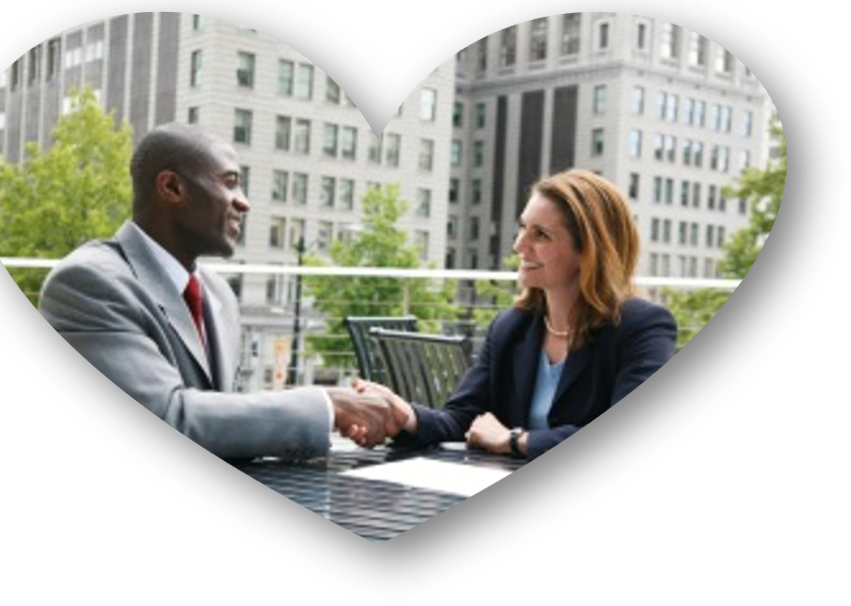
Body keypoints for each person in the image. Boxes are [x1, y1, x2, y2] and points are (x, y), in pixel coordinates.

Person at [38, 123, 403, 460]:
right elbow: (164, 419)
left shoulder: (218, 294)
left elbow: (223, 416)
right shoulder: (88, 284)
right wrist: (325, 405)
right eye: (229, 183)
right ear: (172, 188)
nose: (244, 202)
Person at [354, 170, 678, 461]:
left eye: (541, 235)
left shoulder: (641, 327)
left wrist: (516, 440)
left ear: (588, 251)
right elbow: (464, 417)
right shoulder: (512, 326)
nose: (519, 246)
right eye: (523, 229)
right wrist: (403, 415)